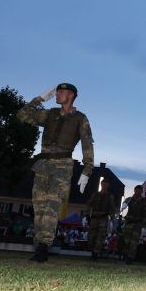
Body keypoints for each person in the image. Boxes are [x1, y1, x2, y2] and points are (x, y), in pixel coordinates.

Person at [17, 83, 94, 263]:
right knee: (39, 206)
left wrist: (87, 170)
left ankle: (43, 246)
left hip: (62, 166)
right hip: (43, 165)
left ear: (71, 95)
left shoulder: (80, 119)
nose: (56, 94)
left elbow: (87, 144)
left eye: (60, 92)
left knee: (52, 206)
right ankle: (39, 245)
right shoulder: (50, 114)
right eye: (57, 92)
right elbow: (22, 115)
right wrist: (39, 99)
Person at [86, 177, 116, 260]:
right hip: (94, 217)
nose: (105, 185)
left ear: (108, 185)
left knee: (100, 237)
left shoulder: (110, 196)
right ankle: (93, 250)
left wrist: (113, 219)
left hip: (103, 218)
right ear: (101, 184)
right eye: (103, 184)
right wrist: (87, 215)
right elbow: (89, 204)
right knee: (91, 237)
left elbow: (112, 208)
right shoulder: (95, 194)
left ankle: (95, 253)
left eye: (106, 184)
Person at [120, 185, 146, 264]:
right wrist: (124, 205)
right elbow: (124, 204)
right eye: (137, 190)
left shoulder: (144, 201)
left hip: (138, 224)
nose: (138, 192)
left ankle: (130, 258)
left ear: (141, 192)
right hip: (129, 223)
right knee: (126, 241)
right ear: (134, 191)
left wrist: (145, 226)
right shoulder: (130, 199)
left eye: (139, 191)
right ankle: (125, 255)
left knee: (134, 242)